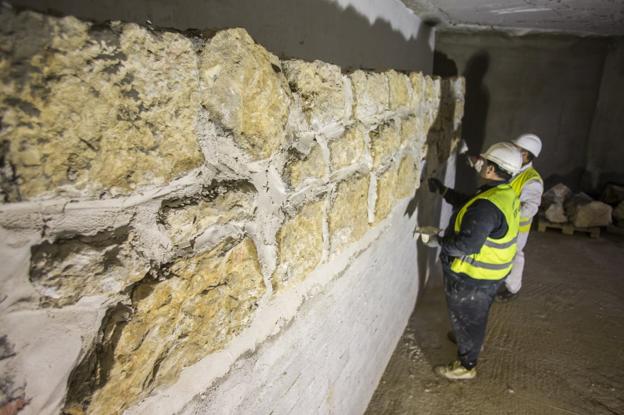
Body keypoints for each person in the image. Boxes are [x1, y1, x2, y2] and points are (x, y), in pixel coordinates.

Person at [426, 142, 522, 380]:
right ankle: (466, 336)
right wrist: (444, 191)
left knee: (468, 314)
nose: (480, 164)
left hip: (474, 276)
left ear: (491, 169)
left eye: (484, 161)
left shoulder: (487, 206)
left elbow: (467, 245)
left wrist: (436, 240)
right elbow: (469, 205)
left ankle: (466, 366)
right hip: (491, 274)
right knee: (473, 314)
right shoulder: (502, 192)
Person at [496, 134, 544, 302]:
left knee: (514, 256)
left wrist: (507, 211)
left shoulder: (532, 180)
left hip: (516, 229)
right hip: (502, 222)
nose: (513, 152)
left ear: (526, 155)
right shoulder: (512, 167)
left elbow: (530, 208)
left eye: (518, 150)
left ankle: (512, 289)